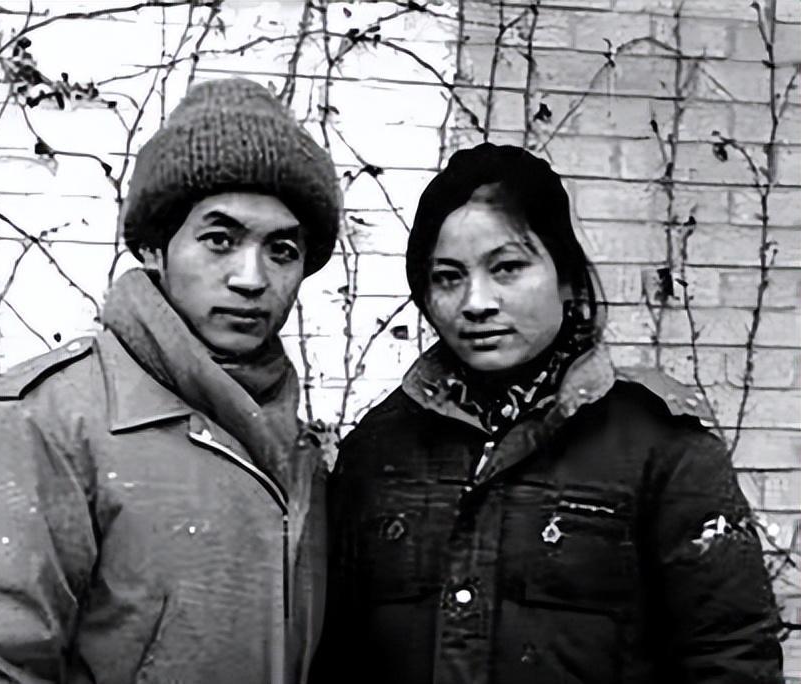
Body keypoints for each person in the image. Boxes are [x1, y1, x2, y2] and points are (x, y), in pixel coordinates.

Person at [0, 78, 340, 684]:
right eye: (219, 240)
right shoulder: (49, 422)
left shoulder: (298, 451)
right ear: (156, 248)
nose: (250, 277)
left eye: (282, 250)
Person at [312, 143, 783, 683]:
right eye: (448, 277)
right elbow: (336, 654)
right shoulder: (379, 448)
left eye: (507, 268)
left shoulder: (661, 447)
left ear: (565, 277)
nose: (476, 302)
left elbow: (730, 656)